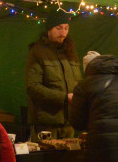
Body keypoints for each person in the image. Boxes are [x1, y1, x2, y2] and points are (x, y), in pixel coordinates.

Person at [25, 10, 83, 138]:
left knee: (69, 159)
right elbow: (33, 87)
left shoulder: (70, 53)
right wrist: (65, 98)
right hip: (46, 124)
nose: (63, 33)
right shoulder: (37, 52)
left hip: (69, 124)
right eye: (59, 28)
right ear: (49, 29)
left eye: (66, 28)